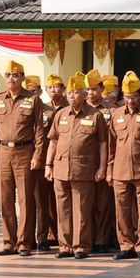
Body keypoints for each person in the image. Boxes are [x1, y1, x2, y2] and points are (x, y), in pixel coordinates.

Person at [45, 72, 108, 259]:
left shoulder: (95, 116)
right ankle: (65, 246)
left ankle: (81, 246)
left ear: (84, 94)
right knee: (62, 209)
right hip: (60, 168)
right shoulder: (61, 114)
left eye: (76, 92)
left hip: (84, 169)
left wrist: (102, 167)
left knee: (82, 210)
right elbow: (53, 141)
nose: (72, 96)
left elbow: (103, 144)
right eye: (70, 93)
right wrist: (48, 164)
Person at [0, 60, 44, 256]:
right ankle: (8, 242)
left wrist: (37, 155)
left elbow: (39, 130)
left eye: (16, 75)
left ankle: (24, 243)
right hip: (3, 153)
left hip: (24, 152)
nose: (11, 78)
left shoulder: (32, 100)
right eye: (9, 75)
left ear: (22, 78)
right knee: (6, 199)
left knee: (26, 199)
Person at [108, 71, 140, 261]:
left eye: (134, 97)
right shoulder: (116, 114)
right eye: (127, 97)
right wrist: (109, 169)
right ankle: (126, 245)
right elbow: (111, 145)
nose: (131, 101)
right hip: (120, 170)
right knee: (121, 210)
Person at [86, 69, 116, 253]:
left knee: (103, 203)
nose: (90, 93)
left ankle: (103, 240)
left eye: (94, 89)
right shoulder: (81, 109)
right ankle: (87, 238)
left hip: (103, 161)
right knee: (85, 204)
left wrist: (107, 165)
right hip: (83, 163)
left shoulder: (111, 111)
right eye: (88, 89)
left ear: (102, 89)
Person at [35, 74, 67, 251]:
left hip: (63, 159)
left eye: (57, 86)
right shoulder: (42, 109)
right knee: (43, 200)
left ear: (63, 88)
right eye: (51, 87)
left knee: (62, 201)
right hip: (46, 159)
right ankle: (44, 237)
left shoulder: (69, 108)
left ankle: (62, 235)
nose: (54, 90)